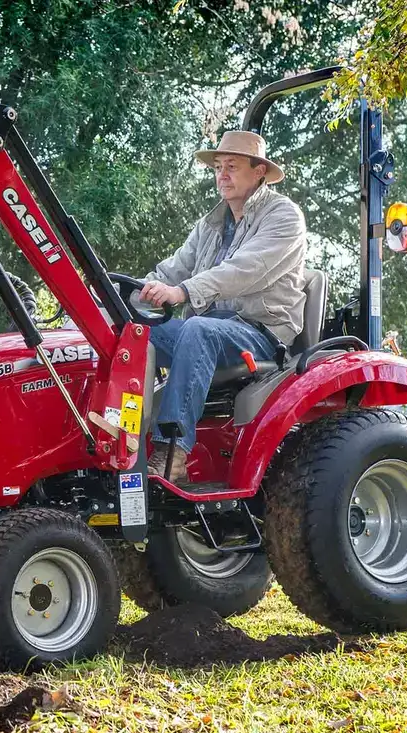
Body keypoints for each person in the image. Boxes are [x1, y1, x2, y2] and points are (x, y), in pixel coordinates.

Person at [138, 131, 308, 482]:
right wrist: (113, 297)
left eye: (232, 166)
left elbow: (244, 270)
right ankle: (119, 439)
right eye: (218, 167)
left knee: (199, 330)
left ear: (259, 170)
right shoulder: (211, 225)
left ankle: (172, 453)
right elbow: (171, 270)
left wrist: (183, 292)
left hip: (259, 333)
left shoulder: (284, 217)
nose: (222, 175)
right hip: (209, 330)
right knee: (136, 327)